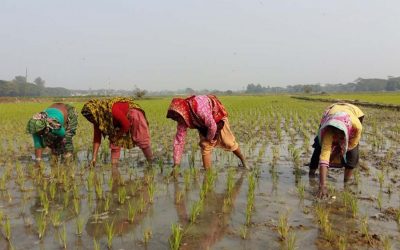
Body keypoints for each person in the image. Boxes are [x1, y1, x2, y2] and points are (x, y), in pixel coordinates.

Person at [166, 95, 248, 170]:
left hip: (217, 118)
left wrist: (208, 139)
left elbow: (212, 126)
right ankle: (208, 173)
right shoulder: (182, 120)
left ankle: (243, 159)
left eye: (179, 117)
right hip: (203, 124)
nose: (179, 120)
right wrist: (176, 164)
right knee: (205, 146)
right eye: (176, 118)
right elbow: (179, 141)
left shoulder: (199, 108)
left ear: (182, 111)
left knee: (229, 142)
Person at [309, 103, 364, 198]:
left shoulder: (357, 127)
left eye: (341, 134)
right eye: (336, 134)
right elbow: (324, 156)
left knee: (352, 155)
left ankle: (346, 184)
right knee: (319, 147)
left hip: (355, 113)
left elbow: (351, 145)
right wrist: (323, 185)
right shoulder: (328, 131)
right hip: (331, 114)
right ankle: (311, 174)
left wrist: (340, 151)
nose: (338, 137)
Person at [81, 97, 153, 167]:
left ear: (96, 111)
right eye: (89, 118)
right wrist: (94, 159)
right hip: (119, 122)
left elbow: (126, 125)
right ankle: (114, 167)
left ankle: (151, 162)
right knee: (114, 143)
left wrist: (117, 136)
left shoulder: (112, 110)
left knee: (142, 139)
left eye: (91, 117)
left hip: (134, 115)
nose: (91, 119)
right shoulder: (98, 119)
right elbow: (97, 139)